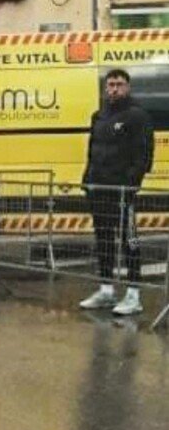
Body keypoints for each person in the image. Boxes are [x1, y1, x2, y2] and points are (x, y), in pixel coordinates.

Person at [79, 69, 155, 316]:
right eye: (110, 84)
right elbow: (92, 151)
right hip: (99, 189)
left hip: (122, 192)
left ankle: (133, 295)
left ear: (127, 87)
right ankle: (106, 290)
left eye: (119, 84)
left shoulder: (137, 116)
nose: (114, 89)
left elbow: (144, 155)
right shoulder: (98, 116)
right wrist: (87, 180)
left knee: (129, 241)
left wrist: (130, 183)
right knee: (103, 240)